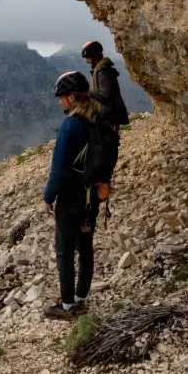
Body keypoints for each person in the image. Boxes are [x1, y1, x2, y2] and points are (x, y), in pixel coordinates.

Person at [42, 71, 104, 320]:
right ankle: (80, 299)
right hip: (92, 197)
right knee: (85, 247)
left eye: (62, 97)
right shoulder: (96, 121)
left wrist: (48, 196)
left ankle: (66, 306)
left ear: (71, 98)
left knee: (65, 251)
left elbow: (58, 168)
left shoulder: (70, 124)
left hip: (69, 198)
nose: (59, 102)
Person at [79, 40, 127, 206]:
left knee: (107, 150)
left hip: (110, 116)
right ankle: (102, 186)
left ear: (92, 57)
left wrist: (88, 93)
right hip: (109, 115)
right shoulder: (102, 70)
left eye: (87, 58)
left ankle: (103, 187)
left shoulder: (103, 72)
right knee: (106, 148)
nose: (86, 61)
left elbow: (105, 96)